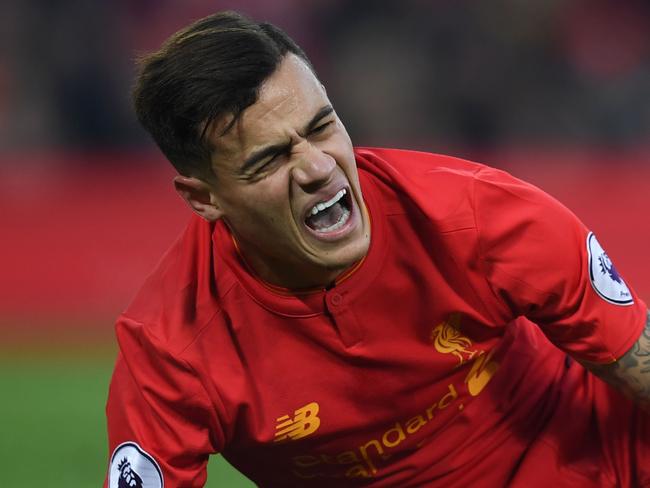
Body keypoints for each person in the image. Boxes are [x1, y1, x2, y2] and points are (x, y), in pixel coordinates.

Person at [104, 11, 650, 488]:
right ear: (204, 198)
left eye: (322, 127)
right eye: (270, 160)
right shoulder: (172, 352)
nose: (319, 168)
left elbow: (637, 363)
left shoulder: (479, 215)